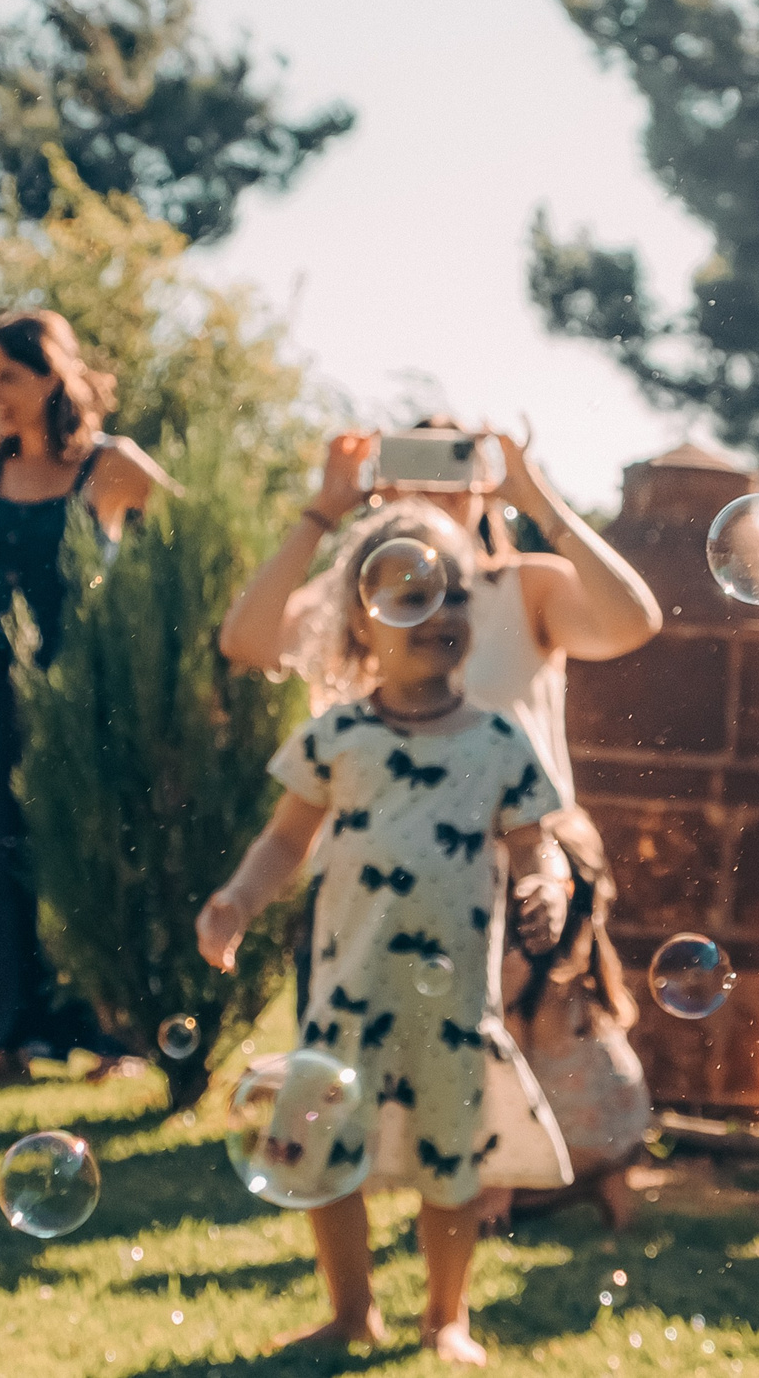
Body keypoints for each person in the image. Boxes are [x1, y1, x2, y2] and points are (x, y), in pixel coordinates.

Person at [219, 425, 662, 1181]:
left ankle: (489, 1202)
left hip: (516, 872)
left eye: (453, 467)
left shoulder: (523, 582)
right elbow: (248, 638)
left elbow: (633, 620)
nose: (432, 489)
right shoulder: (356, 595)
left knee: (485, 1090)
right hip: (374, 887)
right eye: (410, 469)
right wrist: (324, 513)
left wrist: (536, 499)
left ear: (481, 480)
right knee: (354, 1080)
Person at [198, 504, 574, 1366]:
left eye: (452, 597)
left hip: (453, 1005)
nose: (438, 614)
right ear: (362, 623)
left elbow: (533, 843)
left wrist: (545, 887)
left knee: (455, 1163)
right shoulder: (339, 733)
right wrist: (236, 900)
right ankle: (352, 1309)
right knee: (322, 1153)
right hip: (345, 995)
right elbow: (286, 839)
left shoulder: (498, 738)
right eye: (411, 595)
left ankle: (446, 1315)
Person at [0, 308, 164, 1086]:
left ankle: (115, 1040)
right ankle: (8, 1044)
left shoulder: (111, 466)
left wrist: (141, 619)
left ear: (52, 373)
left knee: (96, 845)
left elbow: (196, 541)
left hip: (91, 685)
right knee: (4, 853)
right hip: (0, 679)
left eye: (7, 375)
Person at [496, 806, 651, 1230]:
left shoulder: (521, 977)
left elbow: (505, 1084)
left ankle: (572, 1187)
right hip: (625, 1132)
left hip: (576, 1145)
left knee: (473, 1198)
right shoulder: (591, 964)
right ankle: (607, 1180)